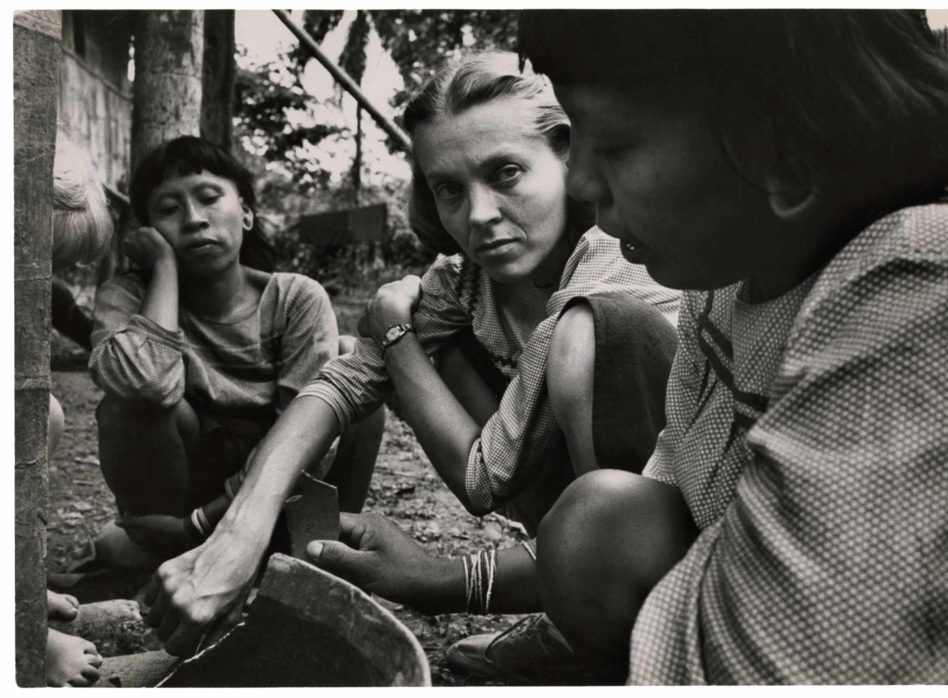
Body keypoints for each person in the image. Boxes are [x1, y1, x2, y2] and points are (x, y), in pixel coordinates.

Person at [306, 9, 948, 686]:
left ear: (783, 152)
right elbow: (671, 498)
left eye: (612, 147)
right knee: (598, 523)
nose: (580, 182)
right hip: (732, 577)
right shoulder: (724, 276)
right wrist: (449, 579)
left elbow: (792, 667)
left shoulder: (933, 277)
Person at [142, 52, 679, 661]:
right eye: (449, 188)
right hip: (586, 527)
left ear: (570, 160)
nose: (477, 216)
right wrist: (236, 539)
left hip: (686, 534)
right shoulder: (467, 282)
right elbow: (343, 382)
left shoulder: (619, 256)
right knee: (375, 349)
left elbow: (486, 476)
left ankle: (622, 634)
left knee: (586, 337)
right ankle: (578, 613)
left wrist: (397, 341)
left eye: (505, 173)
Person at [88, 135, 384, 567]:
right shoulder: (126, 298)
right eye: (168, 210)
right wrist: (165, 270)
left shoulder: (294, 299)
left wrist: (205, 521)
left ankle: (317, 552)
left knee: (351, 377)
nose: (192, 220)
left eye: (209, 198)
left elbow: (306, 441)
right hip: (177, 508)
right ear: (148, 231)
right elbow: (147, 384)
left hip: (280, 493)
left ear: (245, 212)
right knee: (129, 403)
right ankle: (167, 555)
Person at [45, 130, 113, 686]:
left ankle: (14, 585)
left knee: (44, 416)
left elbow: (69, 314)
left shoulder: (43, 290)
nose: (47, 277)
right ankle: (21, 636)